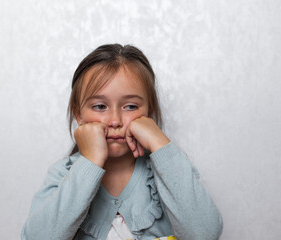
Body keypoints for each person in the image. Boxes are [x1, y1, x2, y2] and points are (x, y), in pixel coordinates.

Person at [21, 44, 223, 240]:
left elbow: (205, 233)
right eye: (100, 106)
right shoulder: (63, 174)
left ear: (149, 112)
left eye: (130, 106)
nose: (115, 120)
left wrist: (159, 142)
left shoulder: (169, 169)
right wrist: (90, 161)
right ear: (78, 113)